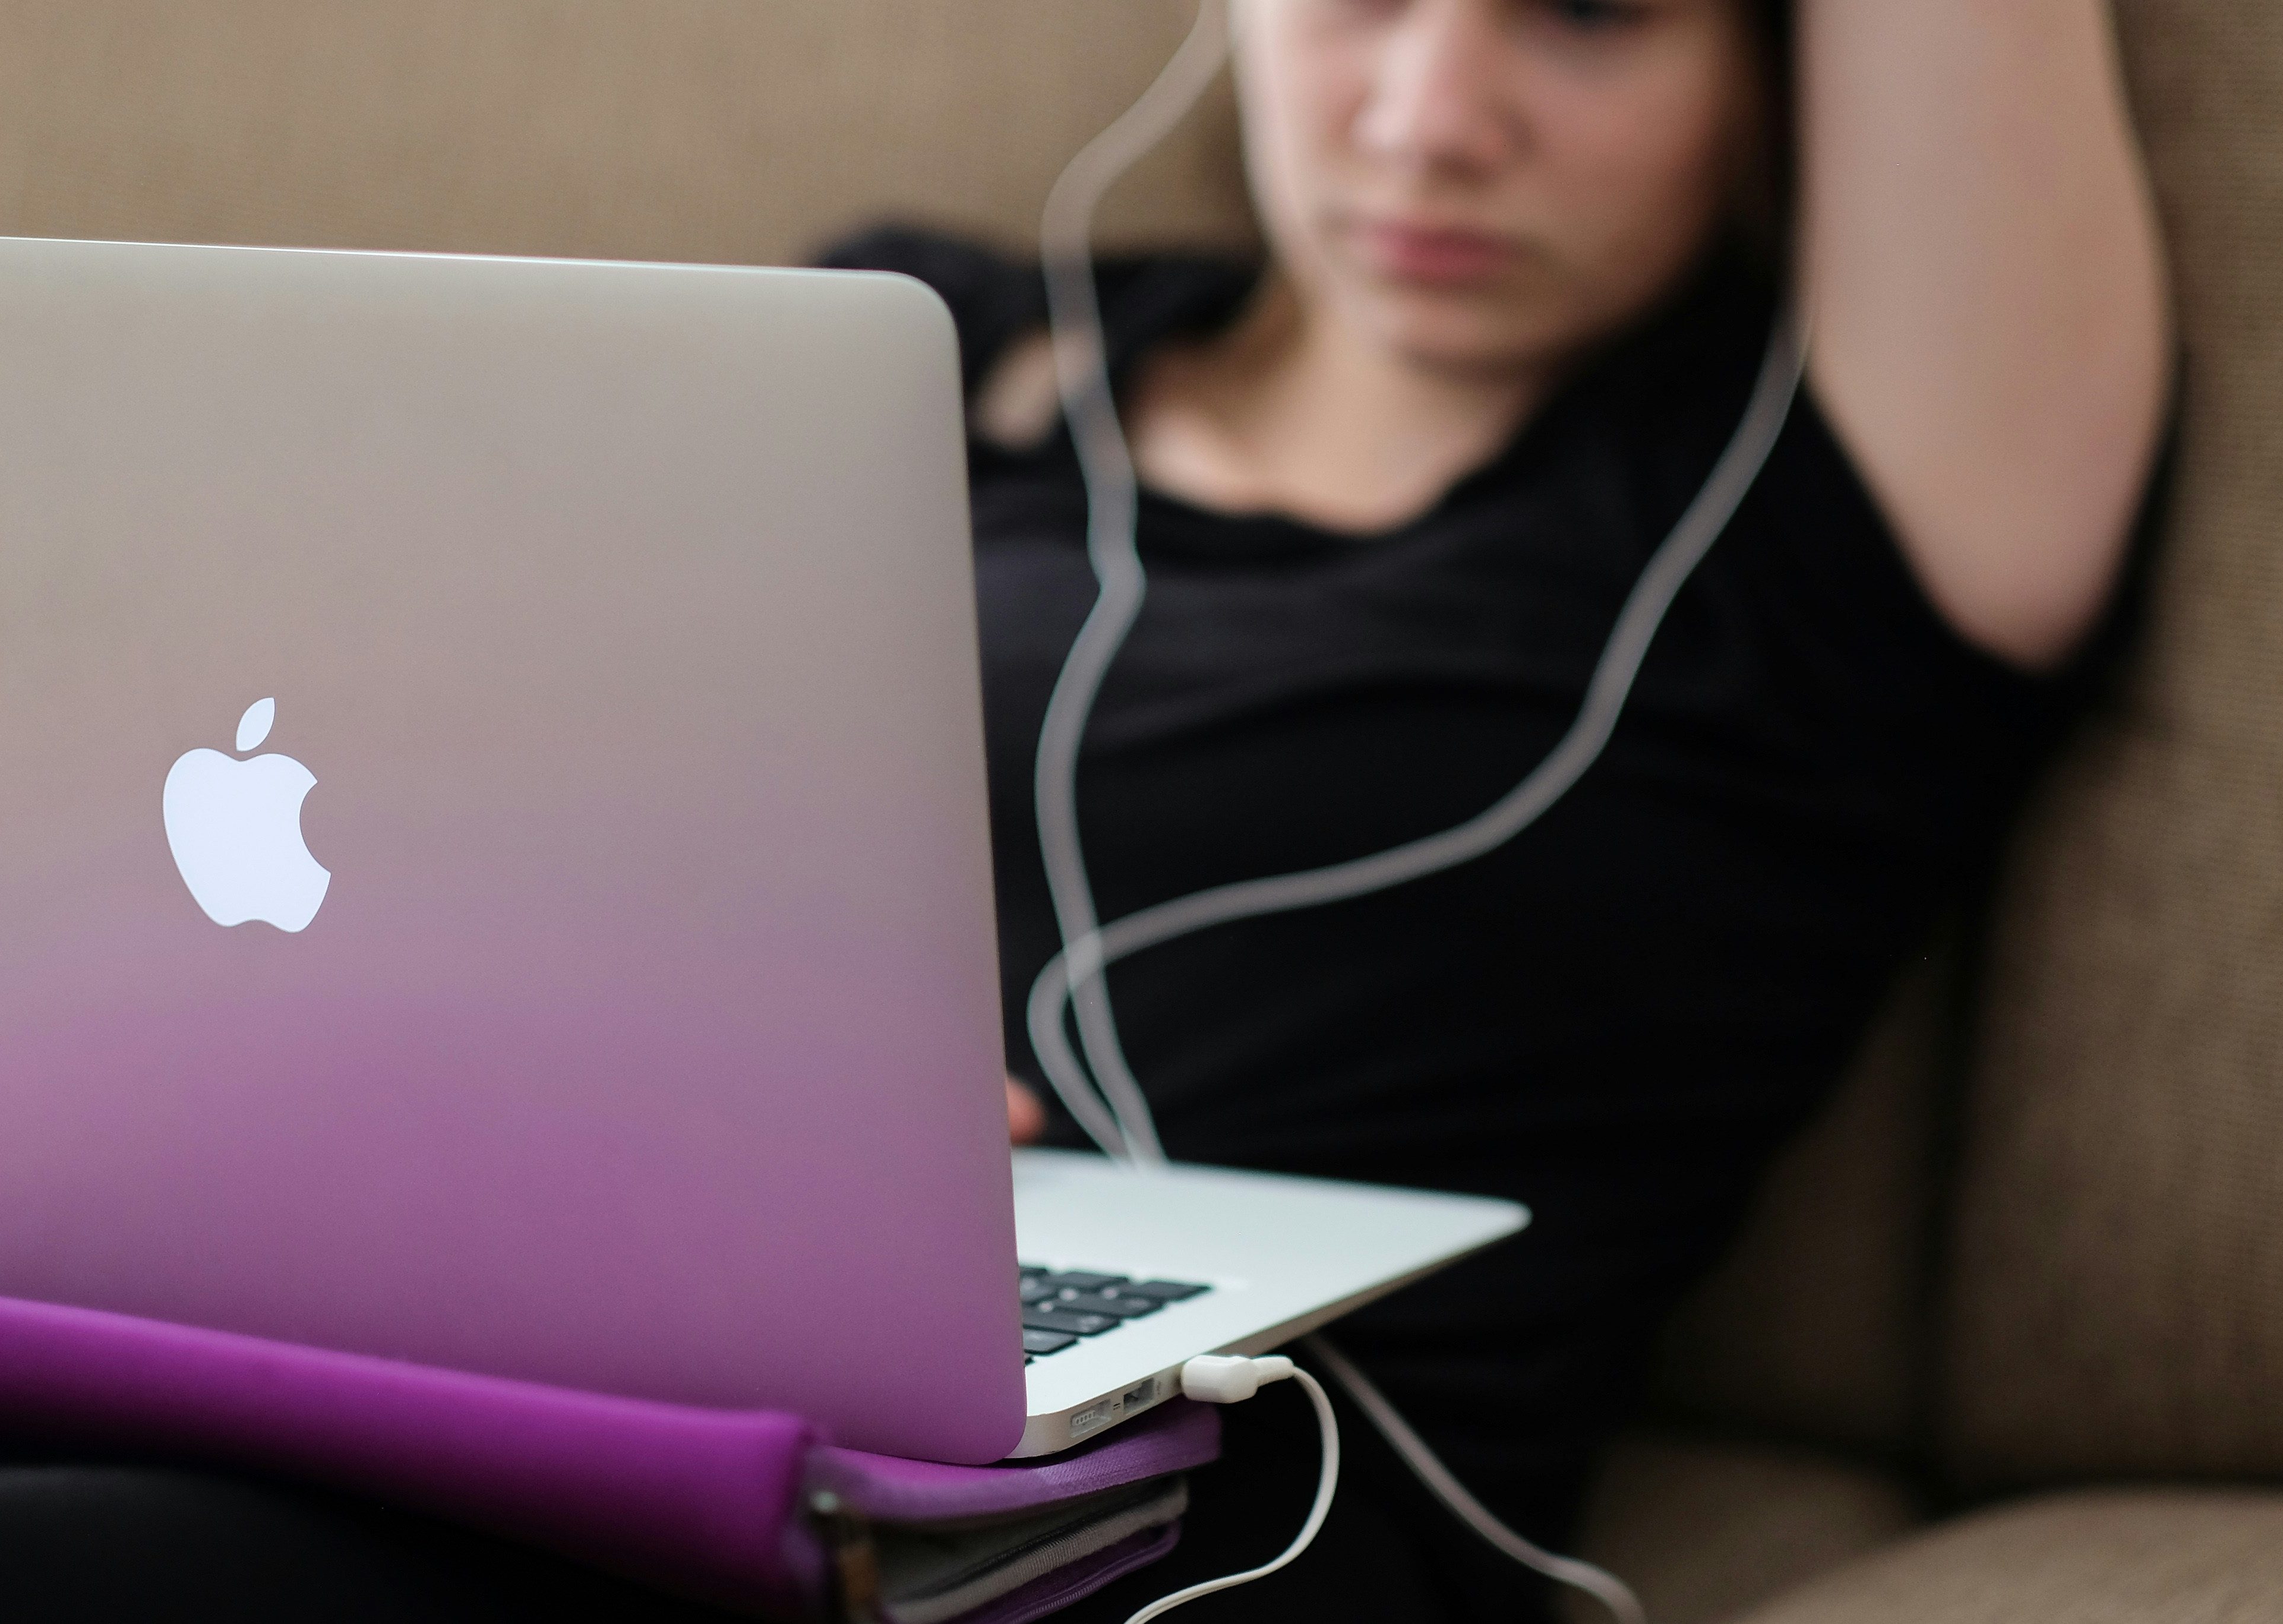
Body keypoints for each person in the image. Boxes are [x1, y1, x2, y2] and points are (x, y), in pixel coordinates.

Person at [829, 0, 2168, 1617]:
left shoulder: (1835, 516)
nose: (1430, 120)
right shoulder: (915, 344)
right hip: (677, 1346)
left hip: (1189, 1526)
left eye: (1587, 13)